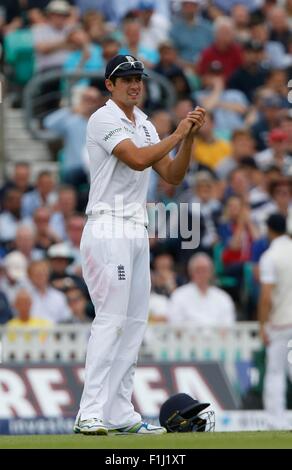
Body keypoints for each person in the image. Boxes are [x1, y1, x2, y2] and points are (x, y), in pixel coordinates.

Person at [74, 54, 206, 435]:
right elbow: (135, 161)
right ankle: (89, 412)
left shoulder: (145, 124)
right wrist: (178, 133)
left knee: (132, 324)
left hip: (135, 228)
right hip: (107, 226)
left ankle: (118, 413)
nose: (135, 84)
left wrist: (190, 137)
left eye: (138, 79)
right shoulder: (103, 118)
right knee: (112, 319)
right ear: (110, 86)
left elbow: (172, 175)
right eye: (126, 78)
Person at [258, 213, 292, 430]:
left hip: (281, 323)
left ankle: (276, 421)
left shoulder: (270, 256)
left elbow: (265, 297)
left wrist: (262, 325)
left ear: (269, 230)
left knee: (275, 372)